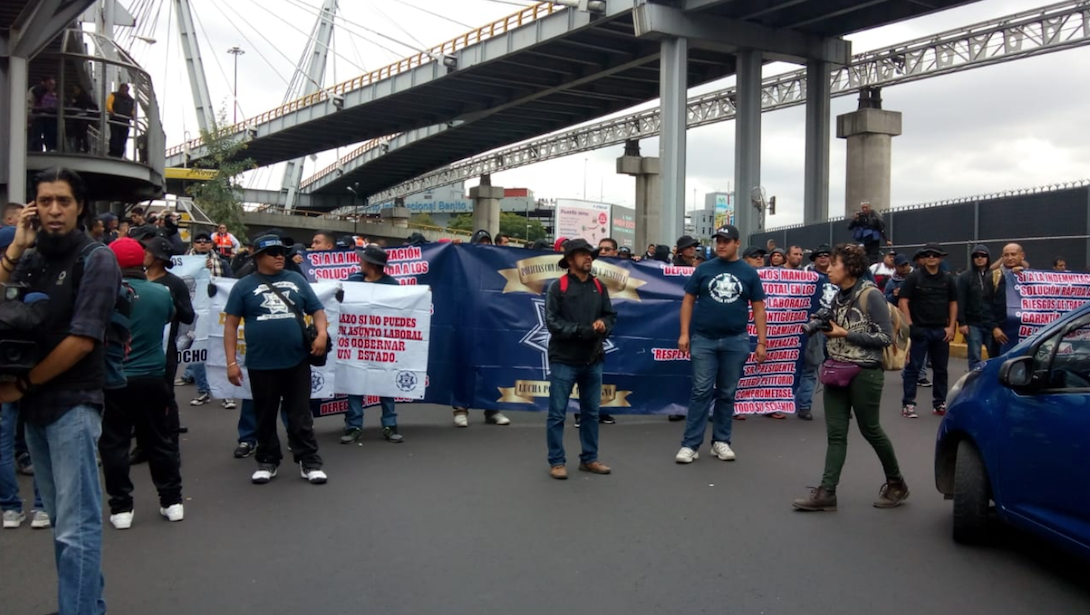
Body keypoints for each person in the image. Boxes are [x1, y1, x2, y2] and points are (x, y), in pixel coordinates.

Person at [0, 167, 119, 614]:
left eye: (63, 201)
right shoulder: (31, 256)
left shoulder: (96, 258)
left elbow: (83, 339)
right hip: (35, 408)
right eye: (45, 200)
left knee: (77, 526)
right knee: (62, 526)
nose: (53, 210)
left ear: (79, 206)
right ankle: (84, 606)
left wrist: (23, 384)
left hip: (72, 405)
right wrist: (14, 247)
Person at [792, 244, 908, 512]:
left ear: (850, 268)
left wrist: (845, 334)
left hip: (864, 372)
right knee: (836, 435)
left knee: (871, 430)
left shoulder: (871, 296)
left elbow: (885, 338)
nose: (829, 268)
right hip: (835, 369)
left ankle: (896, 483)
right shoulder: (838, 296)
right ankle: (827, 493)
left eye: (834, 264)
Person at [224, 234, 330, 485]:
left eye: (282, 251)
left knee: (300, 415)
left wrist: (322, 334)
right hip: (261, 363)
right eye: (273, 252)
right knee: (264, 414)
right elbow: (230, 325)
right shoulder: (243, 286)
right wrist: (231, 363)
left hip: (297, 361)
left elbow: (317, 310)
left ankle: (309, 461)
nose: (280, 256)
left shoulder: (296, 279)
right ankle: (267, 461)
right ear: (258, 257)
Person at [98, 239, 183, 530]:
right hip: (152, 377)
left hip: (113, 378)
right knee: (160, 440)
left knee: (114, 444)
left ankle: (121, 507)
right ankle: (172, 501)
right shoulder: (162, 292)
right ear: (141, 262)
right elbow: (171, 316)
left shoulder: (103, 294)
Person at [675, 225, 767, 464]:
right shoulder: (704, 269)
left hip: (736, 340)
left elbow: (758, 308)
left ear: (737, 243)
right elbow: (687, 301)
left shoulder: (748, 272)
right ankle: (690, 445)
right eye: (718, 241)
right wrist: (684, 333)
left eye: (726, 241)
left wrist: (762, 342)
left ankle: (721, 442)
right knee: (701, 391)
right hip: (704, 339)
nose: (721, 245)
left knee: (727, 393)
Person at [544, 239, 616, 479]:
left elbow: (610, 315)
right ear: (571, 260)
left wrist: (603, 324)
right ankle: (556, 462)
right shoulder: (558, 287)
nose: (589, 258)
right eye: (583, 254)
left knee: (591, 413)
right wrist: (584, 330)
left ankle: (589, 459)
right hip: (563, 360)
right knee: (557, 414)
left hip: (593, 359)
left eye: (590, 254)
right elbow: (553, 323)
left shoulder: (599, 285)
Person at [341, 246, 405, 445]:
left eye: (363, 260)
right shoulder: (352, 282)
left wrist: (421, 294)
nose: (360, 262)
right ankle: (354, 426)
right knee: (354, 382)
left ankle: (389, 425)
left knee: (385, 382)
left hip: (382, 344)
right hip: (356, 342)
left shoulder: (392, 285)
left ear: (372, 265)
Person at [452, 230, 512, 427]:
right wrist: (455, 248)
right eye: (480, 243)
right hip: (467, 323)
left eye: (488, 243)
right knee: (464, 366)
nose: (485, 246)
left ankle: (492, 410)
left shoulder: (497, 265)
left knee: (493, 368)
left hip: (492, 324)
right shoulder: (463, 262)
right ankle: (460, 409)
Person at [143, 237, 196, 454]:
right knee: (140, 398)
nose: (143, 254)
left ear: (157, 258)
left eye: (147, 251)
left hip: (165, 349)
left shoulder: (174, 283)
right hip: (138, 348)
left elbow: (188, 315)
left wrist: (168, 306)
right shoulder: (139, 278)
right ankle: (144, 445)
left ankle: (171, 445)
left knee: (165, 395)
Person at [898, 242, 957, 418]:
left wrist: (951, 327)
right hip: (919, 330)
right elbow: (903, 301)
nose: (931, 257)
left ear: (941, 258)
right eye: (928, 254)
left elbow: (953, 303)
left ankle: (939, 403)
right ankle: (908, 403)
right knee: (913, 368)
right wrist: (910, 325)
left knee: (940, 369)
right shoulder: (914, 277)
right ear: (923, 258)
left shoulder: (948, 280)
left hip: (940, 331)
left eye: (935, 255)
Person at [956, 245, 996, 371]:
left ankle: (993, 381)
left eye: (983, 256)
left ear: (988, 258)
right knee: (974, 356)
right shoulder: (964, 277)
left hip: (991, 323)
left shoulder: (995, 275)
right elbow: (960, 300)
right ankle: (974, 382)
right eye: (976, 256)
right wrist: (961, 322)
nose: (980, 258)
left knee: (995, 355)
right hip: (973, 323)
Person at [106, 83, 134, 157]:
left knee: (123, 139)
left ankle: (119, 154)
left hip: (125, 122)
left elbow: (133, 110)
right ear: (120, 89)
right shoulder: (113, 95)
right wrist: (110, 110)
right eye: (123, 90)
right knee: (115, 137)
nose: (125, 92)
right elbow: (109, 104)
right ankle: (112, 153)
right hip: (115, 120)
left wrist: (133, 115)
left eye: (126, 90)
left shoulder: (131, 100)